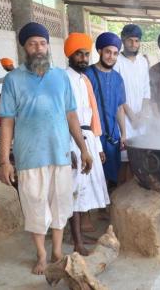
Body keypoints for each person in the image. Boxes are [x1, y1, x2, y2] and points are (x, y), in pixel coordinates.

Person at [0, 22, 92, 274]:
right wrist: (5, 160)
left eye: (42, 43)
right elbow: (6, 120)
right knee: (35, 207)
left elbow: (71, 115)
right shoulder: (13, 79)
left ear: (48, 46)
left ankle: (57, 251)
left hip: (60, 153)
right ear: (24, 49)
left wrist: (83, 148)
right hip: (30, 156)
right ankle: (41, 255)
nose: (38, 48)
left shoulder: (60, 77)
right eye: (32, 44)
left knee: (60, 205)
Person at [64, 32, 110, 255]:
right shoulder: (63, 78)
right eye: (79, 54)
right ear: (69, 55)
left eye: (86, 54)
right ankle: (77, 242)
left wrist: (98, 147)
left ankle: (79, 236)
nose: (83, 58)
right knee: (75, 190)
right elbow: (63, 115)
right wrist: (71, 148)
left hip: (88, 138)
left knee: (85, 190)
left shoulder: (84, 79)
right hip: (72, 140)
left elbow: (92, 115)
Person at [85, 32, 126, 189]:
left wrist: (123, 134)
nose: (111, 57)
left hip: (112, 138)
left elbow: (119, 107)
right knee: (92, 179)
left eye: (115, 53)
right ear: (99, 51)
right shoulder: (87, 75)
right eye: (108, 52)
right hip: (93, 136)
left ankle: (108, 211)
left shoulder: (117, 78)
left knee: (112, 179)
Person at [114, 24, 151, 183]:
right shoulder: (117, 62)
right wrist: (131, 116)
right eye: (130, 40)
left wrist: (142, 114)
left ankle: (137, 192)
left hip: (140, 119)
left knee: (140, 158)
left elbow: (146, 90)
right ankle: (121, 195)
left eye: (137, 41)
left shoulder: (143, 61)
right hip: (123, 118)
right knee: (124, 160)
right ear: (123, 39)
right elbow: (118, 94)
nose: (134, 44)